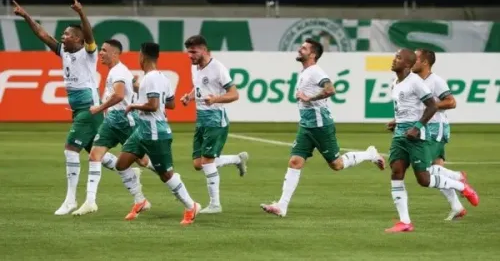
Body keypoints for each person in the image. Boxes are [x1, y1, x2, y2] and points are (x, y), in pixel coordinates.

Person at [13, 0, 120, 215]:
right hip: (78, 110)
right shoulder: (64, 52)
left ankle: (70, 199)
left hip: (90, 109)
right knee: (98, 154)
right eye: (63, 35)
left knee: (71, 147)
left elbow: (89, 35)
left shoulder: (88, 53)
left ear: (79, 40)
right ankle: (131, 174)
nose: (63, 37)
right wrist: (26, 17)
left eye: (68, 35)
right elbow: (43, 35)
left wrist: (81, 13)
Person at [260, 38, 386, 218]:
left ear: (312, 54)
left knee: (336, 164)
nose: (299, 49)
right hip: (306, 126)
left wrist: (308, 98)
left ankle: (370, 154)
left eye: (303, 48)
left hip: (320, 126)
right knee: (295, 162)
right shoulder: (304, 72)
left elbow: (331, 89)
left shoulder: (315, 72)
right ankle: (282, 205)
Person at [385, 49, 479, 233]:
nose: (393, 60)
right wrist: (397, 121)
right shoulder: (395, 82)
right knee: (397, 172)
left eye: (398, 57)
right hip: (401, 134)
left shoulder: (422, 82)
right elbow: (406, 107)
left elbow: (436, 105)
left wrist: (417, 127)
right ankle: (405, 222)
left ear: (408, 63)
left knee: (425, 178)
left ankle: (460, 184)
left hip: (426, 131)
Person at [116, 42, 200, 224]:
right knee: (121, 163)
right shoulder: (161, 77)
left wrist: (134, 105)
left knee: (166, 175)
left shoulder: (151, 78)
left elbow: (154, 105)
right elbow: (170, 104)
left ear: (142, 56)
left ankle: (190, 205)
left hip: (155, 132)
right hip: (142, 131)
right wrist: (143, 93)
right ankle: (140, 200)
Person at [72, 39, 157, 216]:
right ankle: (90, 201)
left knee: (141, 160)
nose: (100, 53)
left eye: (103, 50)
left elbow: (118, 96)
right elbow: (127, 91)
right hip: (112, 120)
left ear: (115, 54)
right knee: (95, 155)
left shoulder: (118, 71)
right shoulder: (117, 71)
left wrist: (99, 108)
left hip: (124, 120)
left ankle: (168, 174)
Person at [180, 35, 249, 214]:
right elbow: (198, 88)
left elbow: (234, 94)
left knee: (207, 162)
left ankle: (215, 204)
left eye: (193, 52)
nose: (190, 56)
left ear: (204, 50)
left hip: (216, 118)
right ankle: (236, 159)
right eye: (188, 52)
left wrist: (216, 99)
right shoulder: (194, 67)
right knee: (198, 163)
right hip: (201, 117)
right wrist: (189, 96)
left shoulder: (218, 68)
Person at [411, 48, 469, 220]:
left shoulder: (435, 81)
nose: (412, 61)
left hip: (436, 128)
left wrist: (433, 106)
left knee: (426, 171)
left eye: (416, 58)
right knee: (437, 173)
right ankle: (457, 207)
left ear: (425, 62)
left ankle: (458, 177)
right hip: (425, 128)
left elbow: (451, 102)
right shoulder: (414, 81)